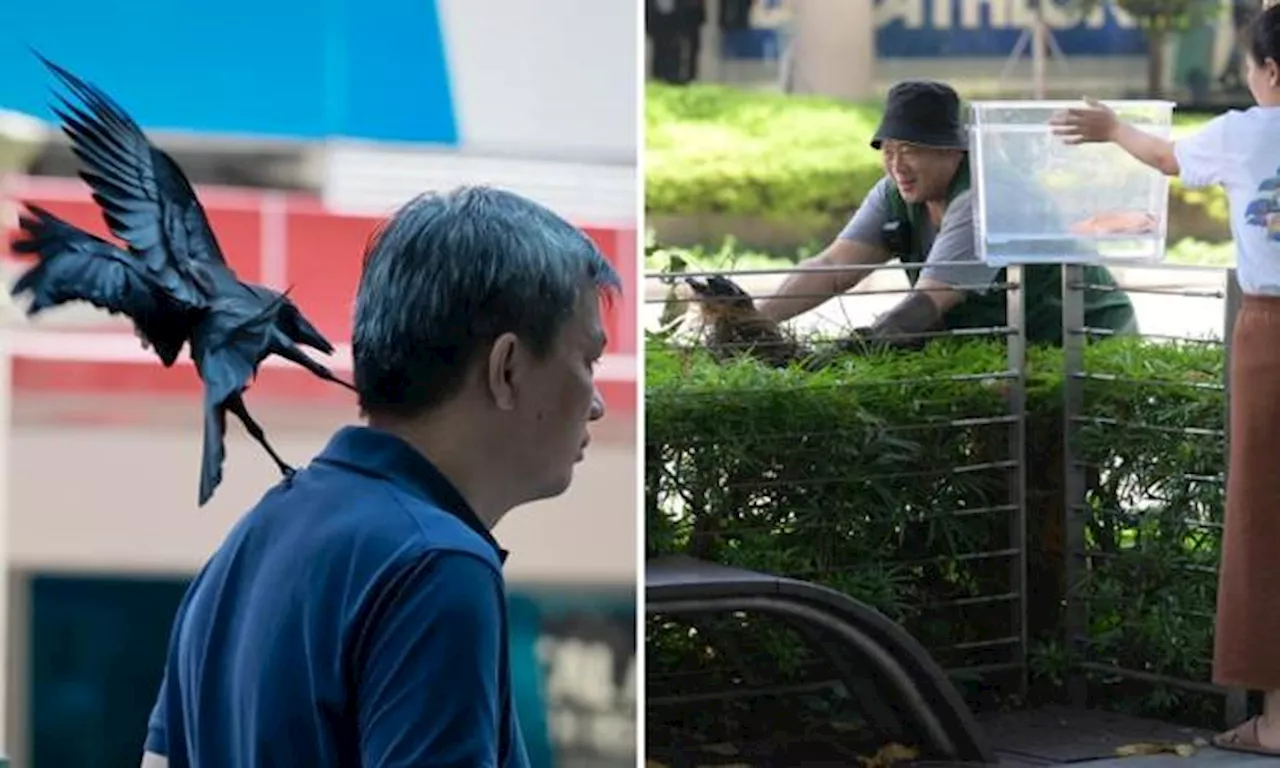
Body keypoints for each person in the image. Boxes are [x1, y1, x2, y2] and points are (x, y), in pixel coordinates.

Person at [139, 185, 622, 767]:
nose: (596, 403)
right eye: (589, 360)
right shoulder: (438, 567)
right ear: (508, 368)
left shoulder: (248, 541)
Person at [1052, 3, 1280, 757]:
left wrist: (1111, 127)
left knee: (1266, 519)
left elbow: (1166, 158)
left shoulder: (1246, 132)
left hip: (1272, 336)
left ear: (1269, 72)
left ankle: (1277, 722)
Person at [746, 79, 1138, 347]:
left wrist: (842, 355)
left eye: (911, 150)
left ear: (953, 150)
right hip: (1009, 348)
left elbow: (925, 306)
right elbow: (831, 268)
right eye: (889, 150)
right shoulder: (895, 193)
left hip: (1083, 345)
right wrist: (751, 325)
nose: (897, 164)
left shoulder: (987, 196)